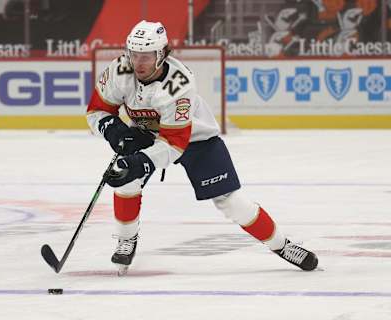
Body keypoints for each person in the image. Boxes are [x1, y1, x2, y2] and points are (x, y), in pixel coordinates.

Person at [86, 20, 319, 275]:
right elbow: (97, 111)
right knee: (125, 179)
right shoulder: (120, 70)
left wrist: (139, 161)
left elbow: (174, 144)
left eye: (147, 56)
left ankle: (282, 245)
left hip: (195, 138)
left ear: (162, 54)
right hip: (147, 133)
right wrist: (113, 129)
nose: (138, 63)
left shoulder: (179, 84)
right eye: (134, 55)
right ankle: (126, 239)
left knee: (232, 202)